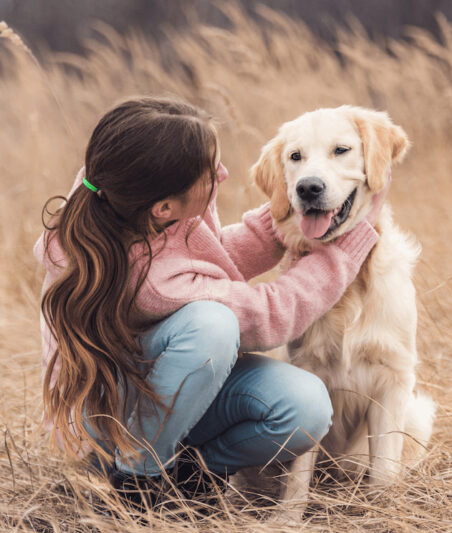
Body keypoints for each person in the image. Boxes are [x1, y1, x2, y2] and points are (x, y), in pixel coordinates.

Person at [35, 97, 384, 510]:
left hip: (164, 382)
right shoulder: (153, 282)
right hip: (114, 416)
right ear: (165, 207)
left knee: (304, 407)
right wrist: (342, 251)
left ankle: (191, 472)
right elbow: (269, 313)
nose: (222, 174)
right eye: (209, 173)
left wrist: (288, 213)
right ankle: (137, 478)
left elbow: (205, 259)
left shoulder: (122, 189)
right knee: (212, 325)